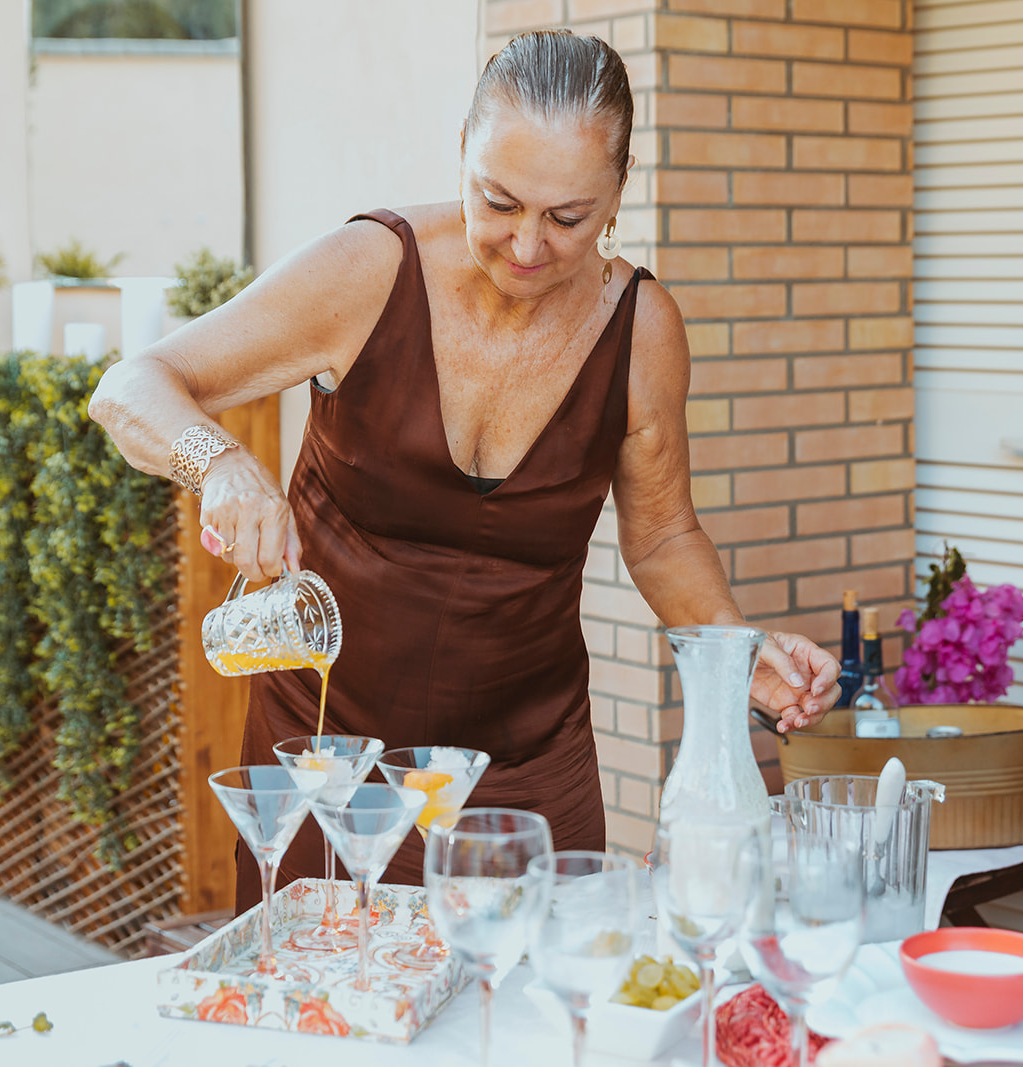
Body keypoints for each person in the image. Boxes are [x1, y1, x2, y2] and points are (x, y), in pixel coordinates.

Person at [91, 30, 841, 912]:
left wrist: (732, 651)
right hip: (335, 769)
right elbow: (130, 385)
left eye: (568, 217)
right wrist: (216, 463)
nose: (527, 245)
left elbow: (664, 531)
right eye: (499, 201)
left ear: (617, 196)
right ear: (463, 156)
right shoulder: (368, 270)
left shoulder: (642, 331)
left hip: (527, 775)